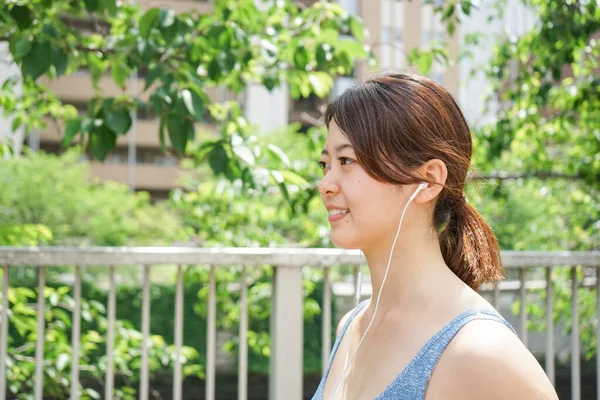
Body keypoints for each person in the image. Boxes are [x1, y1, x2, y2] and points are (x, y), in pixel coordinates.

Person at [311, 72, 558, 400]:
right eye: (325, 164)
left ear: (427, 181)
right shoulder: (351, 327)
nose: (325, 184)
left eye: (347, 160)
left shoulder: (479, 352)